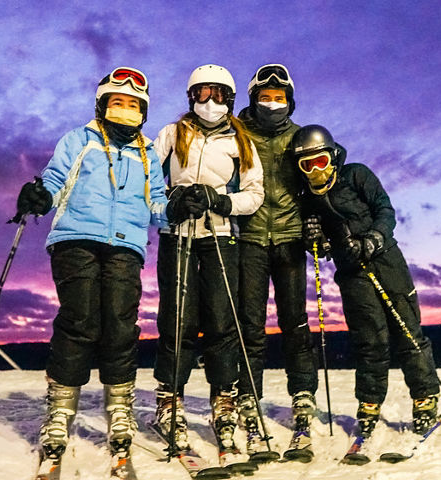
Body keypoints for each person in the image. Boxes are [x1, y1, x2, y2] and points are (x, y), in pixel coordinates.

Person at [14, 67, 167, 460]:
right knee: (79, 321)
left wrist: (178, 207)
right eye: (118, 102)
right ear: (102, 105)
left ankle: (119, 408)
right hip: (76, 240)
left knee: (119, 323)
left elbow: (159, 206)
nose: (126, 109)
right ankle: (61, 411)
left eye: (134, 104)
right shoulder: (79, 139)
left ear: (144, 111)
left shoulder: (149, 153)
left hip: (126, 245)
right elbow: (55, 179)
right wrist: (40, 197)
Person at [291, 125, 441, 437]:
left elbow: (385, 210)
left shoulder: (357, 175)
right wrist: (316, 241)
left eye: (321, 161)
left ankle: (425, 397)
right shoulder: (308, 200)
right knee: (370, 339)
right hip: (352, 273)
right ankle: (370, 403)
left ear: (332, 157)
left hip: (386, 260)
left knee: (407, 331)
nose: (316, 170)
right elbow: (317, 247)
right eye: (308, 165)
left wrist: (372, 239)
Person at [151, 64, 264, 455]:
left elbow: (255, 193)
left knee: (221, 318)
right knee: (178, 317)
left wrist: (221, 201)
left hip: (220, 235)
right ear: (190, 97)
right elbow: (148, 185)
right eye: (202, 94)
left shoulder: (242, 141)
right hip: (178, 234)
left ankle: (223, 397)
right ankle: (169, 398)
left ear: (230, 99)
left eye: (218, 94)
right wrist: (170, 205)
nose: (210, 101)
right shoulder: (171, 134)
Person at [235, 64, 318, 437]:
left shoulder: (301, 136)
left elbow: (320, 183)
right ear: (253, 100)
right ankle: (248, 395)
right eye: (265, 98)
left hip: (289, 238)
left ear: (290, 101)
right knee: (250, 324)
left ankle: (303, 392)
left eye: (279, 98)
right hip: (249, 238)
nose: (272, 104)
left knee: (295, 323)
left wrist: (317, 223)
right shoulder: (235, 134)